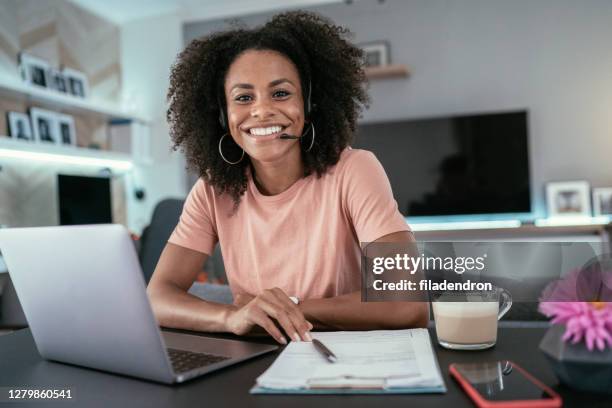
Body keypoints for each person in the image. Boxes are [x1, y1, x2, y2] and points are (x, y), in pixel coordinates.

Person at [148, 11, 428, 345]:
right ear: (222, 113)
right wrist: (232, 317)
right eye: (243, 97)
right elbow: (157, 296)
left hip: (347, 357)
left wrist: (288, 309)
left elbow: (407, 303)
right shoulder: (212, 190)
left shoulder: (355, 170)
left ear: (309, 105)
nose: (262, 111)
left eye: (280, 93)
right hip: (256, 359)